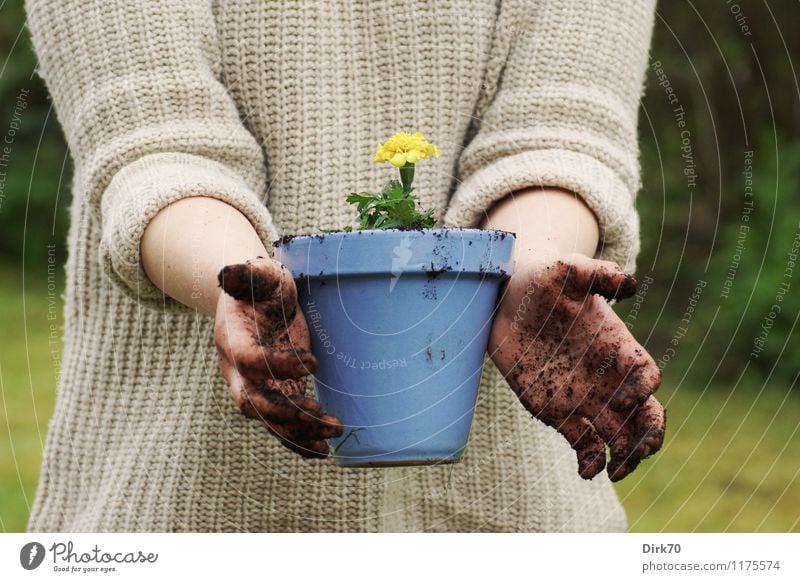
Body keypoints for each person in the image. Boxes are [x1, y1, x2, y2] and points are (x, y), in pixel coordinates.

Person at [26, 0, 664, 532]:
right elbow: (154, 145)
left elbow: (560, 136)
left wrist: (523, 267)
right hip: (178, 508)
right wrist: (241, 281)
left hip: (519, 519)